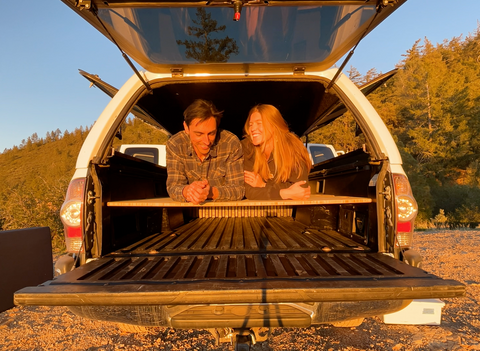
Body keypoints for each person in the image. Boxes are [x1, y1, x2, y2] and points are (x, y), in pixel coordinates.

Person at [166, 99, 244, 204]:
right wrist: (189, 191)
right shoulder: (175, 144)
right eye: (199, 134)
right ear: (186, 128)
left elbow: (239, 190)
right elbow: (173, 186)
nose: (206, 142)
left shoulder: (231, 143)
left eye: (211, 133)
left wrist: (210, 192)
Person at [242, 104, 311, 200]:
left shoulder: (292, 147)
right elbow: (248, 191)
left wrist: (263, 185)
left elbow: (301, 189)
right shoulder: (247, 147)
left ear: (274, 125)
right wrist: (285, 193)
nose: (253, 129)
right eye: (251, 124)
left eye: (259, 123)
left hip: (286, 210)